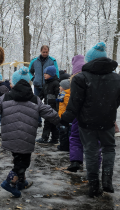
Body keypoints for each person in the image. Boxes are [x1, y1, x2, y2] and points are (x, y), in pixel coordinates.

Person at [0, 67, 60, 198]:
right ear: (28, 83)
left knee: (18, 159)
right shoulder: (35, 99)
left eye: (11, 82)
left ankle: (21, 182)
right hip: (26, 136)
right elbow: (48, 111)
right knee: (23, 162)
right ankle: (9, 182)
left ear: (15, 84)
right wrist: (60, 120)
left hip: (10, 137)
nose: (10, 84)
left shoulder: (5, 97)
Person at [61, 42, 120, 198]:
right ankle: (107, 179)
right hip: (107, 121)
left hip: (87, 123)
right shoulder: (116, 78)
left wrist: (64, 118)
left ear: (89, 61)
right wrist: (108, 110)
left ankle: (94, 185)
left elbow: (75, 103)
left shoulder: (81, 78)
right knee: (108, 148)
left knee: (91, 152)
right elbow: (116, 101)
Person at [29, 45, 59, 127]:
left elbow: (56, 72)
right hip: (37, 85)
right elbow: (29, 71)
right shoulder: (34, 61)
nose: (45, 53)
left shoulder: (52, 61)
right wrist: (33, 78)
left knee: (49, 103)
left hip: (49, 85)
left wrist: (56, 81)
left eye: (46, 52)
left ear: (48, 51)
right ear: (40, 51)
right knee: (36, 103)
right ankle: (38, 121)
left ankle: (49, 119)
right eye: (43, 52)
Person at [36, 66, 60, 144]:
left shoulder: (56, 83)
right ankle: (50, 138)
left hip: (54, 107)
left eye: (46, 73)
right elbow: (41, 94)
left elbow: (58, 95)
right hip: (47, 106)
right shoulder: (45, 84)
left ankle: (50, 138)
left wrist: (56, 104)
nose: (44, 75)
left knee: (51, 123)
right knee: (49, 122)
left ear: (52, 74)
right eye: (44, 73)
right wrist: (37, 100)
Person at [56, 79, 70, 151]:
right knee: (63, 132)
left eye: (60, 86)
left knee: (63, 133)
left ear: (64, 87)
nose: (59, 87)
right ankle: (63, 145)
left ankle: (64, 146)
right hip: (62, 116)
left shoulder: (66, 96)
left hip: (64, 117)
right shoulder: (63, 94)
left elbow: (68, 106)